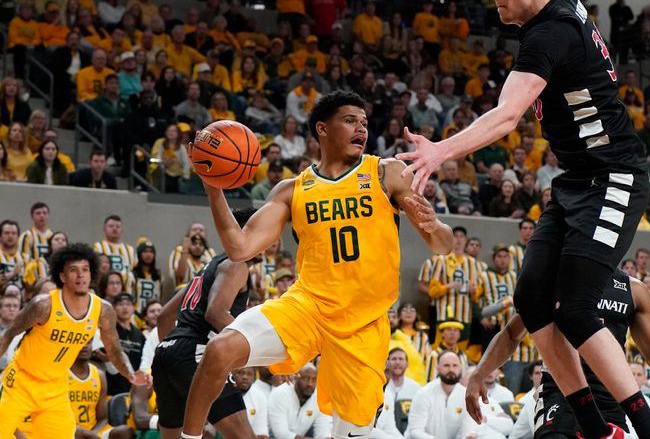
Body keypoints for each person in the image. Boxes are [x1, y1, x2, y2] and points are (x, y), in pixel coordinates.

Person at [399, 0, 650, 439]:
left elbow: (505, 117)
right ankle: (595, 429)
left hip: (615, 176)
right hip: (576, 181)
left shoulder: (547, 34)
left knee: (579, 305)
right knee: (532, 301)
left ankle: (648, 432)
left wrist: (441, 151)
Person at [180, 91, 454, 439]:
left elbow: (441, 246)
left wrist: (435, 226)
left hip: (364, 323)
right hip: (308, 306)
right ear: (322, 129)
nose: (361, 129)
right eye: (350, 120)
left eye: (365, 123)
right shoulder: (292, 190)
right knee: (218, 351)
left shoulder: (387, 173)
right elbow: (239, 247)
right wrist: (213, 188)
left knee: (351, 433)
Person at [466, 267, 650, 439]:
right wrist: (479, 373)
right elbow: (511, 334)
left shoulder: (633, 290)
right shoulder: (555, 280)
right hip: (560, 391)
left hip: (610, 395)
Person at [0, 243, 150, 438]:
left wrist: (130, 374)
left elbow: (114, 350)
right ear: (62, 277)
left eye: (85, 270)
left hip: (55, 387)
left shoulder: (102, 311)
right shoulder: (43, 305)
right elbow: (8, 334)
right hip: (21, 381)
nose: (81, 275)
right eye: (73, 270)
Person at [152, 208, 260, 439]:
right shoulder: (236, 265)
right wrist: (256, 350)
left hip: (166, 352)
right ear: (246, 233)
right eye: (264, 231)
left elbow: (164, 316)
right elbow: (216, 313)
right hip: (195, 352)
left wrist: (176, 355)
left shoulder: (208, 266)